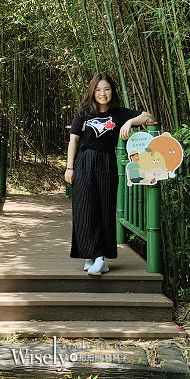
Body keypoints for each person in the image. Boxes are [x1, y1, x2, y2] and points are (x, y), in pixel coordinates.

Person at [64, 73, 151, 276]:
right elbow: (73, 141)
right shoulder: (84, 113)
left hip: (106, 163)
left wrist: (130, 122)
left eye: (107, 89)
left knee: (104, 207)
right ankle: (90, 253)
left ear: (112, 91)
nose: (102, 93)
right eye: (98, 90)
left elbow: (147, 116)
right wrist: (69, 168)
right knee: (84, 207)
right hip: (84, 162)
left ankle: (101, 257)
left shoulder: (119, 114)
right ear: (92, 92)